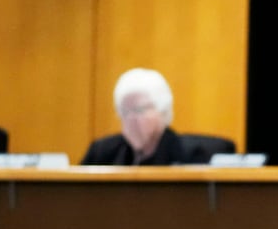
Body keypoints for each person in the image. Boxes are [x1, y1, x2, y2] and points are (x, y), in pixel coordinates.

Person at [80, 68, 214, 166]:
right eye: (124, 111)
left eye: (139, 110)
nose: (131, 119)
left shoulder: (192, 155)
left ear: (163, 111)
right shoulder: (102, 153)